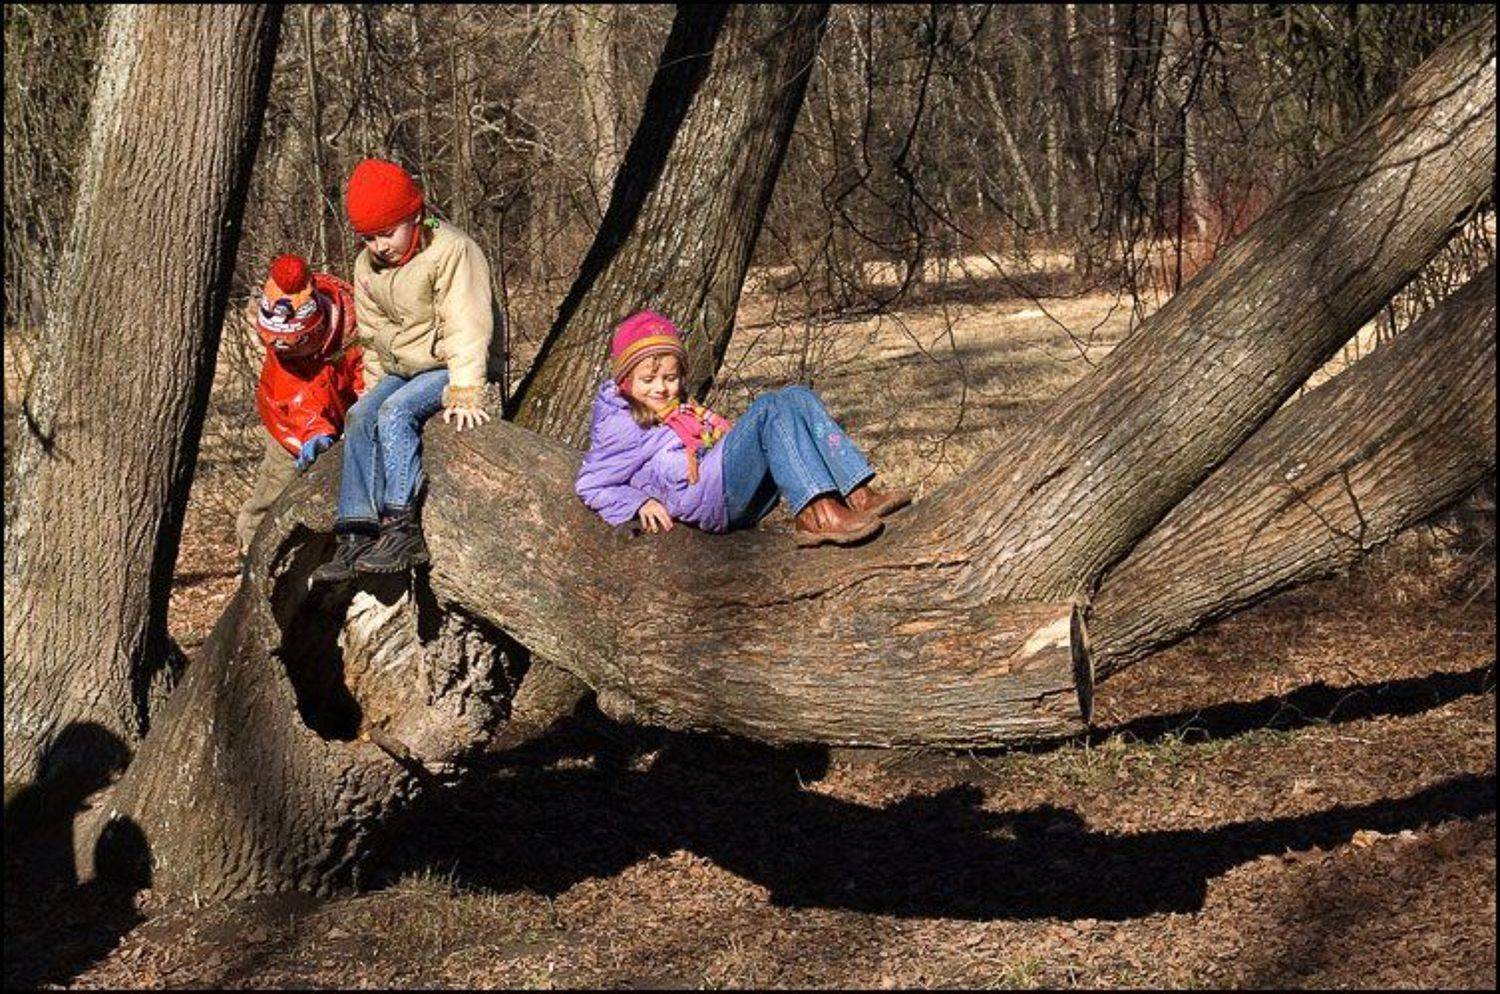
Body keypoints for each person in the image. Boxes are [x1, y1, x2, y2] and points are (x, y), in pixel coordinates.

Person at [575, 310, 910, 547]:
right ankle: (818, 515)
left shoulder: (676, 408)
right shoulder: (622, 424)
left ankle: (857, 493)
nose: (661, 388)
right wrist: (638, 502)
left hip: (727, 487)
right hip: (710, 499)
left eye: (670, 377)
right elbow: (592, 484)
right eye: (648, 380)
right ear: (625, 381)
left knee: (796, 395)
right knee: (768, 409)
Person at [310, 158, 494, 582]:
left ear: (415, 217)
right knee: (362, 415)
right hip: (403, 368)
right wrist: (372, 391)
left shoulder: (451, 251)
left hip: (448, 365)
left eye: (387, 233)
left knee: (397, 414)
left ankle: (402, 526)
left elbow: (467, 322)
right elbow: (372, 337)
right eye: (369, 237)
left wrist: (467, 388)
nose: (379, 246)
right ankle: (355, 533)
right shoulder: (366, 267)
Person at [235, 253, 363, 558]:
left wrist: (363, 417)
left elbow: (368, 374)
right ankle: (250, 554)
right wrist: (313, 431)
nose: (289, 355)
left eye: (297, 346)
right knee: (276, 489)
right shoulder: (280, 347)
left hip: (346, 416)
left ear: (317, 328)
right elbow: (292, 392)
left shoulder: (353, 324)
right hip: (288, 420)